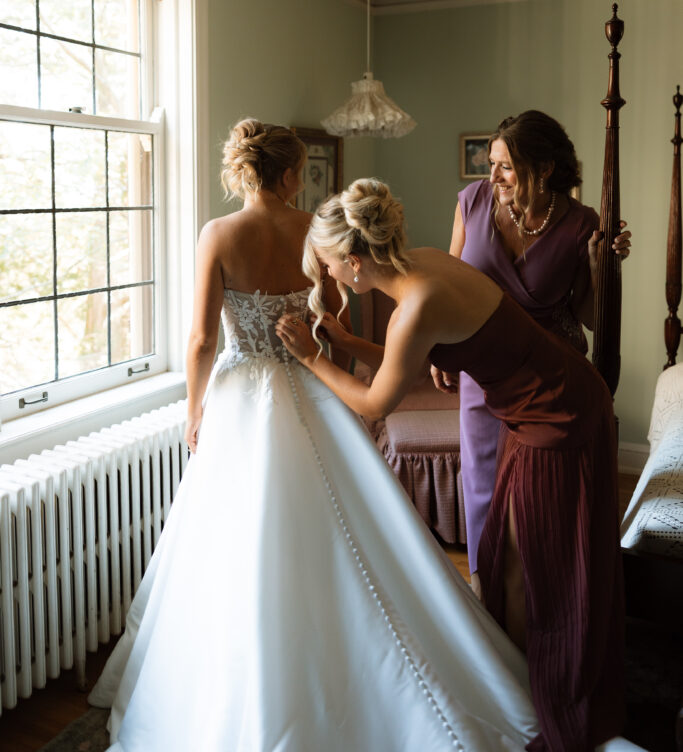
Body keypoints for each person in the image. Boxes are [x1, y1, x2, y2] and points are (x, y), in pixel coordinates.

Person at [88, 122, 539, 752]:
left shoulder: (218, 235)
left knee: (238, 538)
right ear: (291, 173)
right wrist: (324, 352)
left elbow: (200, 340)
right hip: (311, 388)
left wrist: (194, 408)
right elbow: (336, 318)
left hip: (242, 398)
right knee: (345, 526)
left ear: (244, 171)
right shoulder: (313, 231)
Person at [277, 178, 624, 752]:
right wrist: (343, 340)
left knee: (540, 562)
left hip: (557, 414)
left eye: (329, 265)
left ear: (355, 262)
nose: (329, 277)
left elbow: (374, 400)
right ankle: (515, 676)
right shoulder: (425, 264)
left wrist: (314, 357)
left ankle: (547, 687)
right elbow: (402, 360)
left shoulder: (416, 304)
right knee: (504, 556)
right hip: (536, 406)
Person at [433, 111, 631, 593]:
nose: (493, 175)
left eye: (505, 165)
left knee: (537, 496)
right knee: (482, 488)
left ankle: (544, 595)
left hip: (548, 380)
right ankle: (487, 598)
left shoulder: (584, 224)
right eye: (491, 163)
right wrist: (438, 350)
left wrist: (601, 266)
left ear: (544, 169)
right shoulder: (472, 202)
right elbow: (449, 284)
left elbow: (589, 315)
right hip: (482, 372)